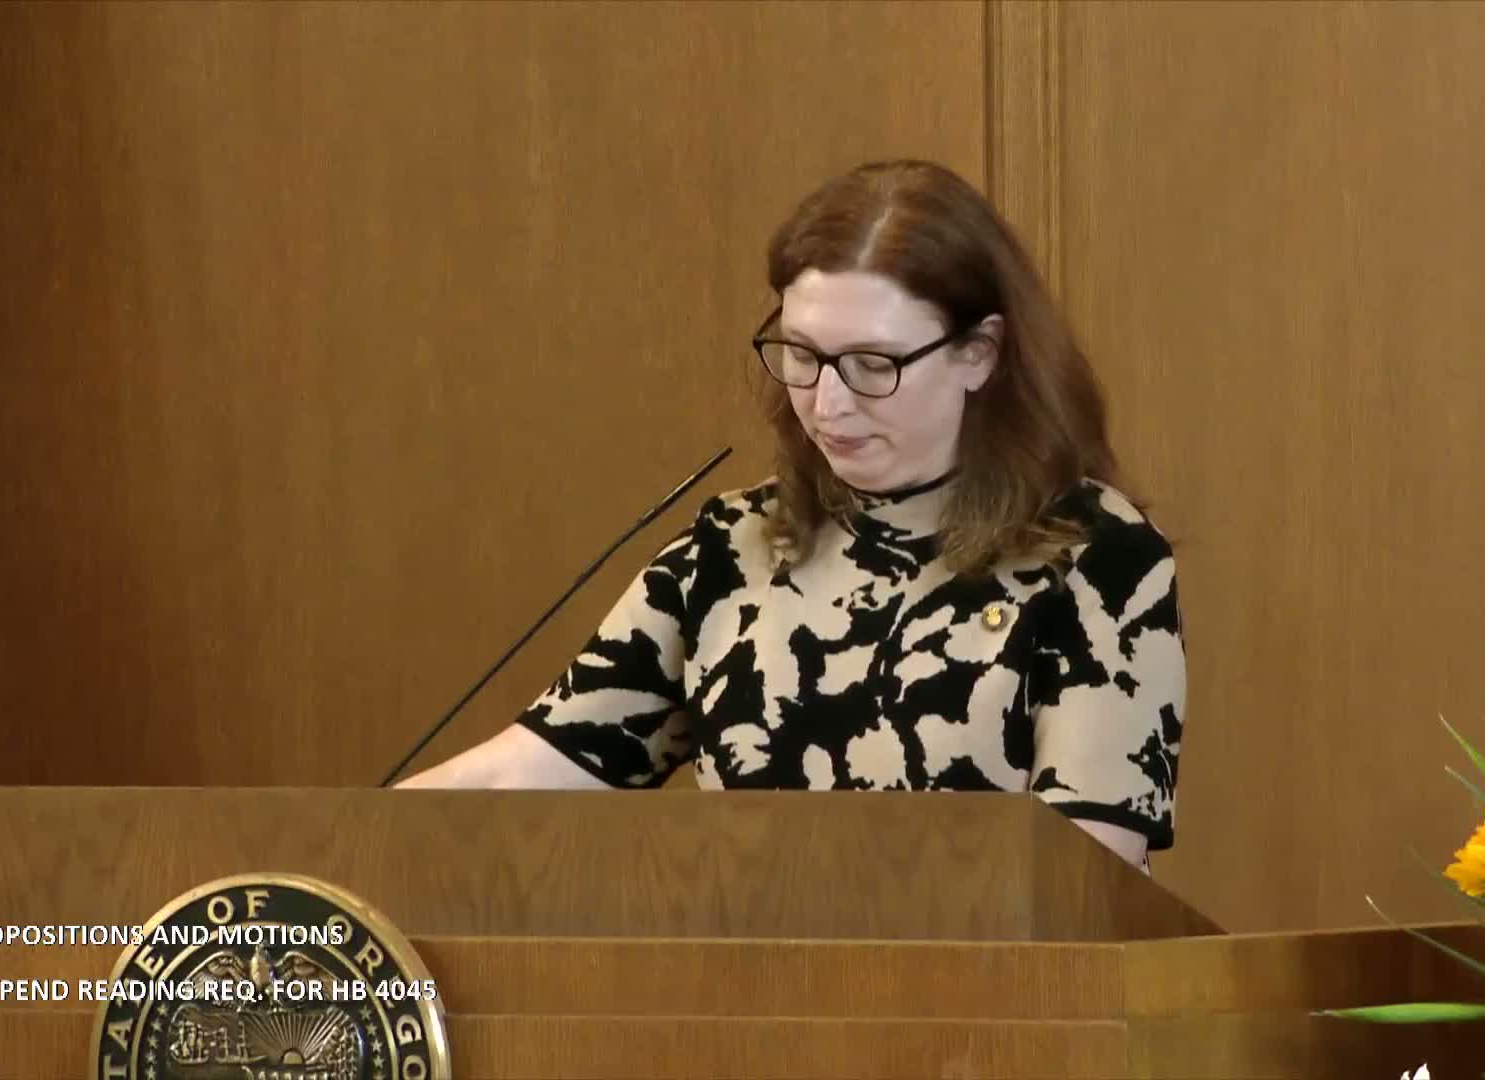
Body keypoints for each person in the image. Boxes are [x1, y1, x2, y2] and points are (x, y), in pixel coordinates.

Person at [398, 160, 1186, 872]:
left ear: (978, 353)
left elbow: (1090, 875)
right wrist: (345, 854)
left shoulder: (1098, 560)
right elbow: (532, 772)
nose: (826, 404)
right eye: (803, 356)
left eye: (872, 365)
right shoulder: (729, 551)